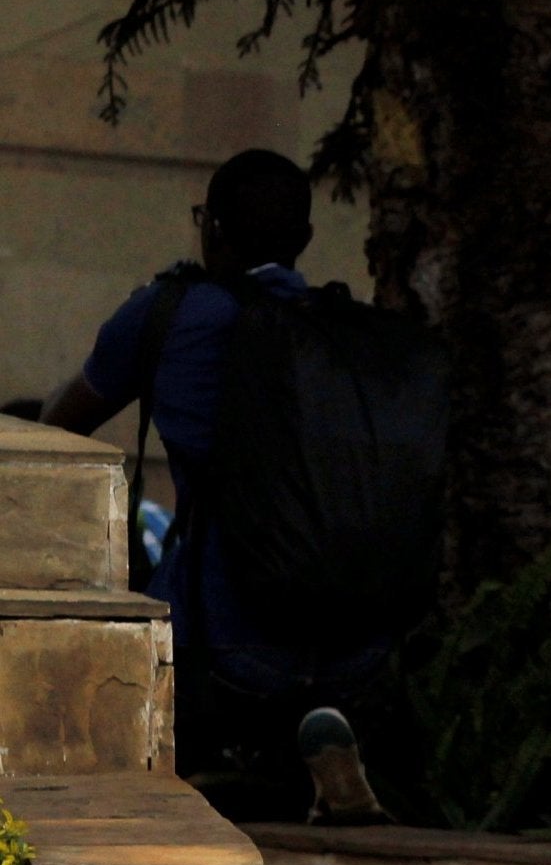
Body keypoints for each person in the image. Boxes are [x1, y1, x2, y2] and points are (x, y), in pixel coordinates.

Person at [41, 150, 402, 822]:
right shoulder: (347, 332)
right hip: (359, 644)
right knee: (288, 680)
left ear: (213, 230)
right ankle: (315, 732)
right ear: (304, 241)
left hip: (213, 641)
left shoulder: (171, 313)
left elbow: (57, 427)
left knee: (114, 666)